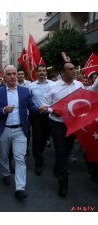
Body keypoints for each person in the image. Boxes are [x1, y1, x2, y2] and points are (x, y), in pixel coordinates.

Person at [0, 65, 39, 201]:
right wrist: (3, 110)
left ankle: (20, 188)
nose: (12, 76)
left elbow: (31, 107)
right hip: (3, 129)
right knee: (4, 155)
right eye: (9, 74)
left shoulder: (25, 91)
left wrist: (40, 108)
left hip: (20, 130)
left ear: (17, 75)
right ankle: (5, 173)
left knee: (20, 159)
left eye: (14, 74)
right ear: (4, 77)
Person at [41, 62, 84, 197]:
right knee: (60, 151)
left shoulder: (79, 85)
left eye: (73, 69)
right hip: (57, 124)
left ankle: (57, 167)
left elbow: (85, 101)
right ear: (63, 73)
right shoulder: (53, 87)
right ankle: (63, 183)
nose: (74, 71)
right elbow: (44, 105)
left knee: (66, 151)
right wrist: (53, 111)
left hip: (73, 123)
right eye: (70, 69)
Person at [28, 65, 54, 176]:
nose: (42, 72)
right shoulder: (31, 86)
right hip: (36, 115)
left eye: (44, 70)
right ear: (36, 72)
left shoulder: (53, 84)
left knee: (45, 138)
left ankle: (40, 152)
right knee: (37, 138)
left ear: (46, 72)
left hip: (49, 115)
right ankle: (38, 162)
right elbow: (28, 101)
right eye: (39, 71)